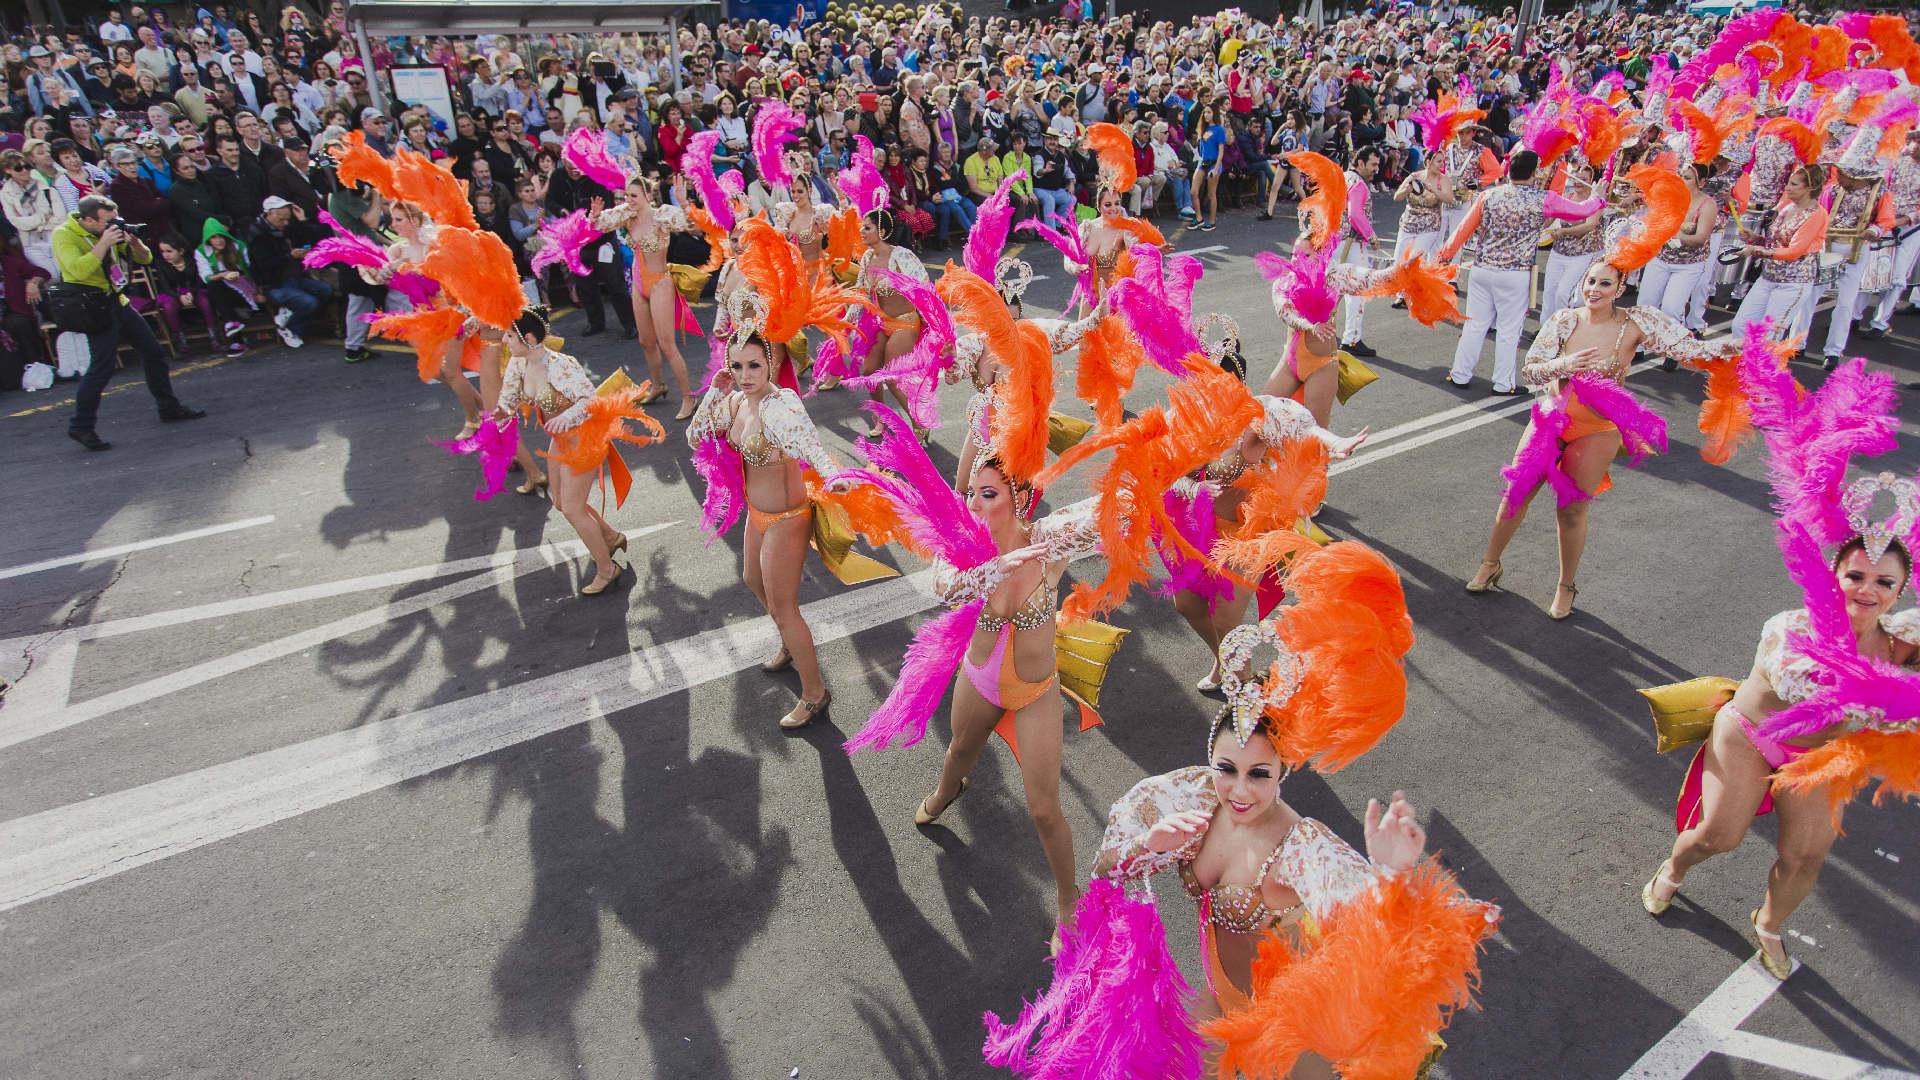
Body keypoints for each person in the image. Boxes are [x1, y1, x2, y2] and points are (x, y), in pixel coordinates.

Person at [1464, 173, 1737, 620]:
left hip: (1597, 431)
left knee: (1570, 512)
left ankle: (1566, 587)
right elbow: (1531, 368)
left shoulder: (1636, 323)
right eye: (1591, 282)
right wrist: (1562, 367)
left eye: (1604, 284)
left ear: (1620, 290)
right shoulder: (1565, 321)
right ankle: (1489, 564)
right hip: (1551, 418)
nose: (1594, 289)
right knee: (1515, 494)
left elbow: (1687, 349)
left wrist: (1736, 346)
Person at [686, 219, 876, 729]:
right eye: (738, 367)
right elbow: (693, 439)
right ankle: (792, 648)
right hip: (757, 514)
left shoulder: (780, 406)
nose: (746, 375)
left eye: (754, 366)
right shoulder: (734, 402)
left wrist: (835, 475)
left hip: (789, 516)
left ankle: (815, 692)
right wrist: (714, 392)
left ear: (771, 364)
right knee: (754, 581)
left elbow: (812, 448)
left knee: (785, 605)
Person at [492, 309, 641, 596]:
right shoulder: (519, 364)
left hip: (584, 437)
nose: (504, 339)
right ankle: (610, 536)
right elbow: (508, 399)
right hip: (560, 440)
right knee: (561, 503)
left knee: (573, 508)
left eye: (510, 335)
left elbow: (589, 401)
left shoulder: (561, 366)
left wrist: (566, 417)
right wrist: (498, 417)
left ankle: (607, 569)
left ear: (530, 338)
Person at [1436, 148, 1603, 395]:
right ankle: (1504, 383)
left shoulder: (1489, 196)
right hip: (1515, 274)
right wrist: (1598, 197)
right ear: (1534, 173)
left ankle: (1460, 374)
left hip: (1482, 270)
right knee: (1508, 329)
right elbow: (1581, 211)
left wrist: (1444, 257)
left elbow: (1463, 229)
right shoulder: (1542, 198)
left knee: (1475, 325)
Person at [52, 195, 204, 450]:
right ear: (88, 220)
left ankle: (168, 407)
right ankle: (81, 426)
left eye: (116, 219)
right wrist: (103, 243)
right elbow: (78, 270)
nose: (115, 224)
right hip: (92, 306)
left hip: (116, 300)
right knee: (102, 367)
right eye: (108, 221)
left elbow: (145, 260)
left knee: (154, 353)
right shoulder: (64, 235)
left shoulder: (110, 231)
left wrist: (134, 243)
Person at [598, 174, 700, 421]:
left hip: (659, 284)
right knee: (646, 341)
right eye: (626, 196)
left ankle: (689, 396)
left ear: (647, 195)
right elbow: (600, 225)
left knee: (667, 344)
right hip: (638, 285)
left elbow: (691, 227)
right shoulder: (626, 215)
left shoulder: (662, 215)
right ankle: (657, 385)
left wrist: (683, 202)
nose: (628, 200)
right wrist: (595, 215)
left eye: (633, 196)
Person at [1729, 164, 1828, 345]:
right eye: (1788, 183)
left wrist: (1755, 250)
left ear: (1810, 188)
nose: (1787, 188)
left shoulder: (1817, 214)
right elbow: (1776, 241)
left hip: (1792, 283)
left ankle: (1758, 372)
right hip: (1768, 277)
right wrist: (1757, 239)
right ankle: (1740, 369)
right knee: (1741, 327)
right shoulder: (1787, 207)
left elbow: (1793, 252)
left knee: (1768, 339)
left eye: (1794, 184)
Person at [250, 195, 331, 348]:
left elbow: (311, 238)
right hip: (274, 283)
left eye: (288, 219)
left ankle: (289, 317)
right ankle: (292, 328)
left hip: (294, 276)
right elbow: (264, 264)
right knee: (309, 302)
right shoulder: (258, 235)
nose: (285, 223)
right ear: (270, 214)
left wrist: (302, 221)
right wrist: (289, 256)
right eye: (282, 220)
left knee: (325, 290)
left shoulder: (286, 228)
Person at [1, 149, 63, 276]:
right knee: (51, 277)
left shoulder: (44, 186)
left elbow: (60, 216)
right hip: (31, 242)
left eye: (27, 166)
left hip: (54, 235)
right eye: (18, 168)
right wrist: (43, 218)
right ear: (8, 170)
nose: (24, 171)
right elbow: (16, 221)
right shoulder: (5, 194)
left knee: (65, 273)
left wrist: (37, 224)